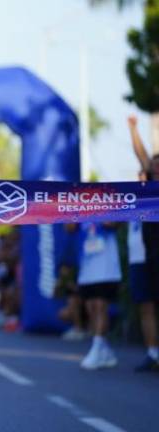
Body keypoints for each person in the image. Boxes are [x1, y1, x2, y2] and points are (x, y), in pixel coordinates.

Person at [127, 115, 159, 371]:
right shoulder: (147, 191)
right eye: (154, 166)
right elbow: (142, 155)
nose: (156, 168)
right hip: (148, 255)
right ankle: (152, 352)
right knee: (146, 305)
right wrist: (133, 129)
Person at [77, 222, 121, 370]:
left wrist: (95, 211)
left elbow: (114, 224)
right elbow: (69, 227)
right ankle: (105, 350)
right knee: (90, 308)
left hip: (106, 268)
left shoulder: (107, 202)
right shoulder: (80, 204)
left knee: (100, 306)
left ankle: (97, 347)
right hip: (88, 267)